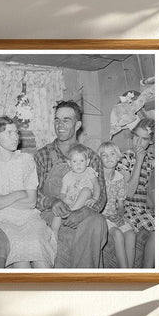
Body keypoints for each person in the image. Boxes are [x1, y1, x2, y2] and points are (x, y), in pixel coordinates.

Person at [34, 100, 107, 268]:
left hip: (83, 211)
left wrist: (86, 210)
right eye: (57, 119)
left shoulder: (91, 157)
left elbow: (101, 194)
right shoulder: (42, 155)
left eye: (66, 120)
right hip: (53, 214)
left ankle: (83, 283)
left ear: (78, 124)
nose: (60, 124)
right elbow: (33, 194)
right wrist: (52, 202)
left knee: (97, 222)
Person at [0, 116, 56, 269]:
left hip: (29, 218)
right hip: (3, 221)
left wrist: (2, 198)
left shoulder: (26, 160)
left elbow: (31, 202)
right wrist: (19, 193)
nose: (15, 137)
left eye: (16, 132)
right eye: (9, 133)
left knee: (38, 244)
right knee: (19, 251)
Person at [116, 118, 155, 268]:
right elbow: (128, 193)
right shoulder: (125, 158)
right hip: (128, 208)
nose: (138, 142)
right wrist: (138, 162)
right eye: (136, 136)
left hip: (145, 208)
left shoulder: (152, 160)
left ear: (151, 142)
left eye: (144, 139)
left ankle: (149, 271)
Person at [98, 141, 136, 268]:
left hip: (113, 215)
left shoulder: (119, 178)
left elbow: (121, 205)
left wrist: (119, 216)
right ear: (100, 159)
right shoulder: (97, 177)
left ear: (118, 156)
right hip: (100, 217)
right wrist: (105, 217)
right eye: (104, 155)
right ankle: (124, 273)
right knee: (118, 234)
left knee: (130, 234)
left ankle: (130, 275)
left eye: (112, 154)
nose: (109, 158)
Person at [51, 143, 100, 241]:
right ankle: (54, 233)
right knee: (58, 211)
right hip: (70, 202)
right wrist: (60, 201)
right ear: (69, 163)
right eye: (75, 161)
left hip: (84, 203)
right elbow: (63, 193)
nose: (78, 164)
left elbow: (96, 186)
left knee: (86, 190)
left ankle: (71, 212)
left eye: (82, 161)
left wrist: (95, 198)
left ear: (87, 162)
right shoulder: (67, 177)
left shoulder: (89, 172)